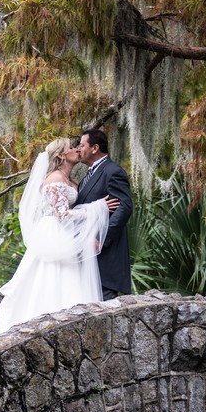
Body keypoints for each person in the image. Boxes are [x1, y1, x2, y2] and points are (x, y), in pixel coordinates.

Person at [0, 138, 120, 333]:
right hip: (54, 234)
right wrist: (98, 207)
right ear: (62, 155)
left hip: (65, 233)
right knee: (53, 278)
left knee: (69, 278)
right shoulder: (54, 179)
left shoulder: (69, 180)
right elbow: (63, 215)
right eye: (71, 147)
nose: (76, 149)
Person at [74, 129, 133, 300]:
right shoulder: (86, 177)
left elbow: (124, 207)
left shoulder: (113, 171)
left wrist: (101, 239)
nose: (78, 149)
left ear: (95, 148)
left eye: (82, 145)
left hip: (104, 259)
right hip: (86, 258)